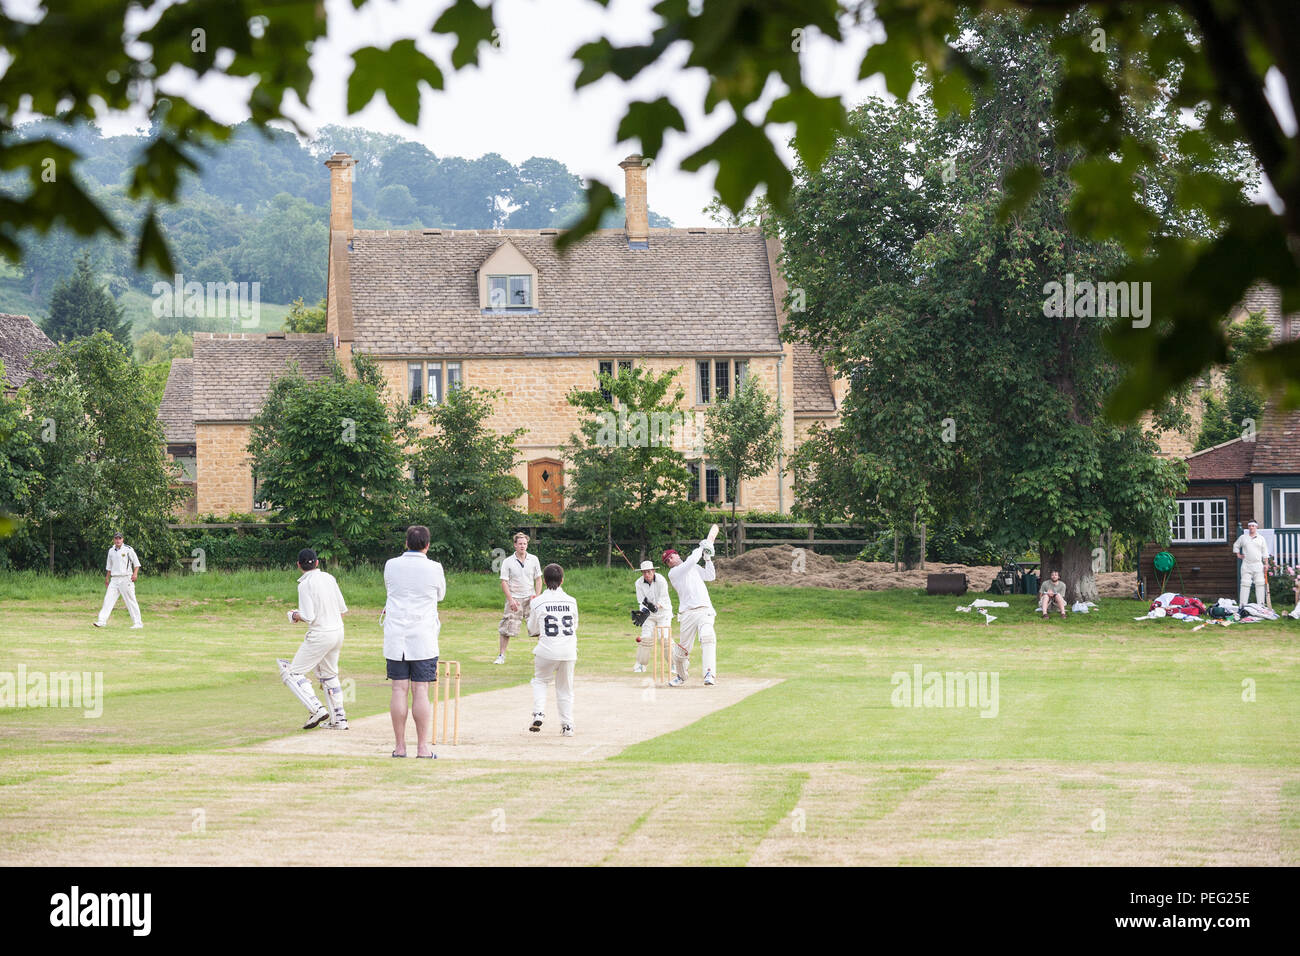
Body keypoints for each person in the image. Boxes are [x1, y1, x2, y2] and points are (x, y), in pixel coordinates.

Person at [383, 525, 446, 758]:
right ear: (427, 545)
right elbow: (440, 595)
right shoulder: (434, 567)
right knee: (421, 690)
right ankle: (422, 747)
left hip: (396, 633)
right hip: (423, 634)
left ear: (406, 543)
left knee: (399, 688)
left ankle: (400, 747)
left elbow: (390, 589)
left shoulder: (391, 564)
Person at [277, 548, 350, 730]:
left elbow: (308, 616)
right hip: (338, 632)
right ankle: (339, 719)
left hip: (321, 634)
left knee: (291, 673)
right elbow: (342, 610)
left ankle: (316, 708)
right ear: (317, 562)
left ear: (298, 565)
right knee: (329, 675)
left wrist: (294, 615)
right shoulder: (329, 578)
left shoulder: (304, 585)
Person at [526, 563, 578, 737]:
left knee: (540, 681)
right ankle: (567, 725)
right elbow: (575, 625)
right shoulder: (572, 601)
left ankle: (538, 713)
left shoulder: (538, 602)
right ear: (562, 580)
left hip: (546, 649)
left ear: (545, 581)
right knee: (565, 689)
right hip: (569, 651)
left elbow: (532, 630)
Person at [663, 537, 718, 687]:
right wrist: (702, 547)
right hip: (687, 613)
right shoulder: (674, 573)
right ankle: (681, 676)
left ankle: (709, 673)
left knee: (707, 637)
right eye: (667, 561)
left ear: (677, 555)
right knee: (681, 651)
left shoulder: (692, 566)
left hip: (704, 609)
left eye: (671, 557)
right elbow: (692, 560)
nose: (670, 560)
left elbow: (710, 576)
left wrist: (707, 558)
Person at [496, 531, 542, 665]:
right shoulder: (508, 561)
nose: (522, 546)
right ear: (515, 545)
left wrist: (536, 597)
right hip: (514, 598)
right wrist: (510, 600)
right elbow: (504, 582)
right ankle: (501, 655)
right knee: (506, 627)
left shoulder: (534, 559)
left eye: (525, 543)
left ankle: (542, 656)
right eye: (520, 543)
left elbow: (538, 579)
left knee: (538, 627)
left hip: (530, 598)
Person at [93, 532, 143, 629]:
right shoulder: (111, 551)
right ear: (113, 540)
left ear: (122, 539)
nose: (118, 540)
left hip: (126, 578)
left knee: (130, 600)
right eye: (116, 538)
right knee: (108, 599)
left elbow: (136, 563)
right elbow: (109, 567)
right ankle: (101, 621)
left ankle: (138, 623)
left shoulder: (128, 549)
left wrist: (135, 574)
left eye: (119, 538)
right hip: (114, 579)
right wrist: (107, 578)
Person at [632, 559, 672, 672]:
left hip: (663, 612)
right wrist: (643, 613)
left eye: (649, 572)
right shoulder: (638, 583)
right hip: (649, 614)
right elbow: (641, 601)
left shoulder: (661, 580)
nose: (647, 574)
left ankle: (674, 664)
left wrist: (657, 606)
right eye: (644, 572)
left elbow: (664, 597)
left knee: (664, 638)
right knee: (645, 637)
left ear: (653, 571)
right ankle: (641, 665)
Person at [1233, 520, 1270, 607]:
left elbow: (1265, 552)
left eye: (1253, 526)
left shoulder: (1261, 538)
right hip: (1246, 564)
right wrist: (1238, 554)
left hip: (1258, 564)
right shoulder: (1243, 537)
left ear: (1256, 527)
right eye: (1250, 526)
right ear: (1248, 527)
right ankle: (1242, 605)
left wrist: (1266, 564)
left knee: (1260, 584)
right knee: (1245, 584)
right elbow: (1236, 545)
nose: (1251, 528)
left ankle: (1261, 605)